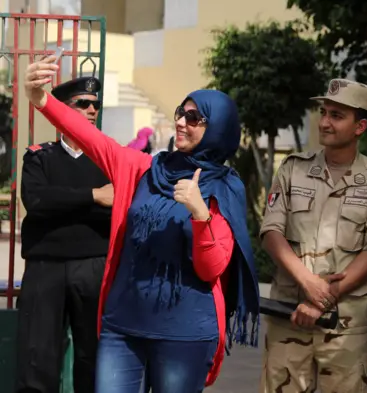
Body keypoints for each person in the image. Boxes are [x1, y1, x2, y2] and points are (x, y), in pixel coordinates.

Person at [23, 55, 260, 393]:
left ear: (217, 128)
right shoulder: (145, 168)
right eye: (181, 112)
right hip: (123, 325)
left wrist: (200, 215)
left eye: (194, 118)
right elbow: (92, 139)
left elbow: (211, 269)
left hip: (185, 334)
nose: (181, 122)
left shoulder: (223, 187)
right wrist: (40, 99)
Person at [259, 78, 367, 392]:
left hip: (347, 325)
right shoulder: (294, 168)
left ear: (360, 127)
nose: (324, 122)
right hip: (290, 315)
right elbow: (270, 231)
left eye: (336, 115)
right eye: (324, 112)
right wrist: (307, 282)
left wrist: (323, 299)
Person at [16, 76, 112, 393]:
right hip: (46, 268)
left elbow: (117, 206)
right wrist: (94, 197)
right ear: (62, 111)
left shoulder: (109, 159)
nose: (91, 109)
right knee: (37, 360)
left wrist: (66, 200)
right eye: (82, 104)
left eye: (95, 104)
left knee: (93, 358)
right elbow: (38, 201)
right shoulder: (39, 157)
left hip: (93, 266)